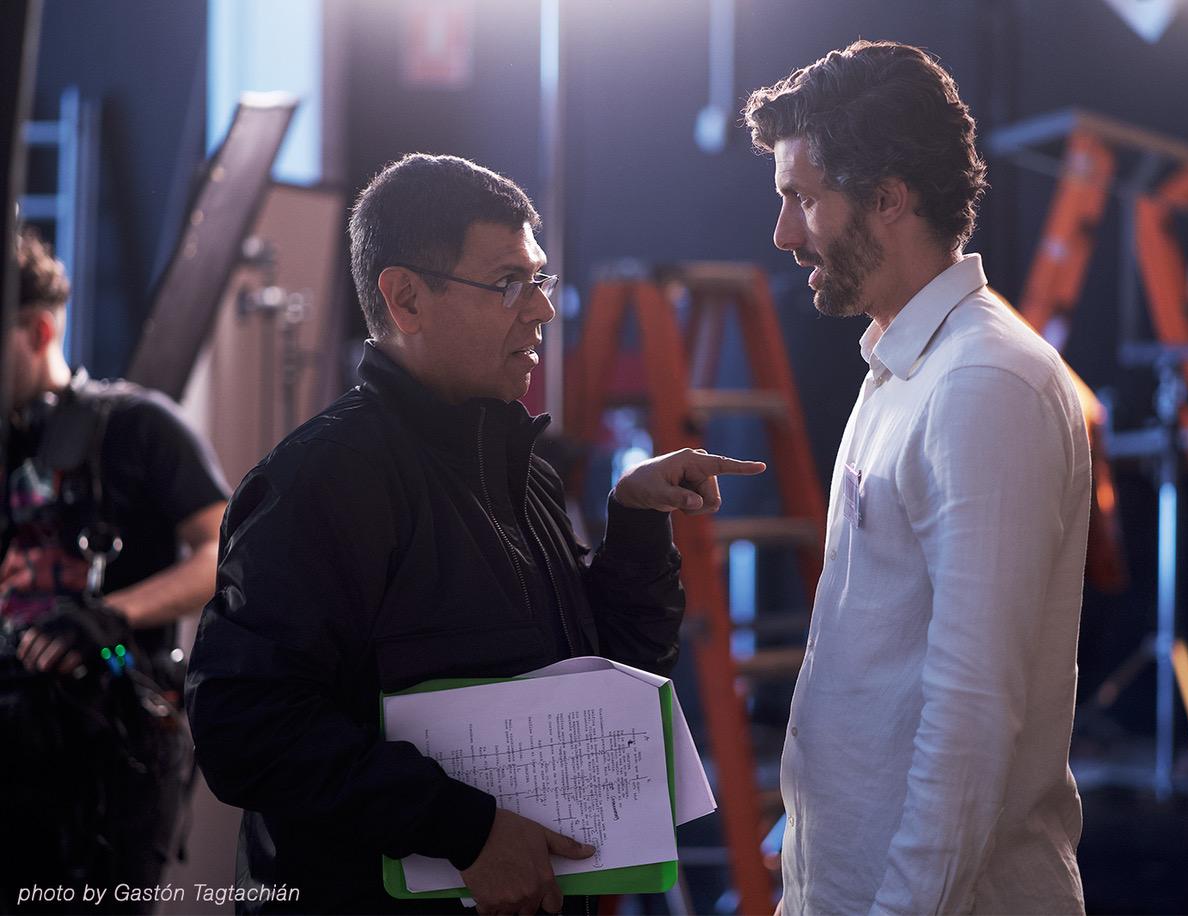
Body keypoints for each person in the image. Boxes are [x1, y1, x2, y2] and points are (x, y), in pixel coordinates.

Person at [185, 153, 765, 915]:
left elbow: (614, 676)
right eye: (508, 283)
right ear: (406, 299)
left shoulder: (521, 470)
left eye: (541, 279)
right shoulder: (324, 478)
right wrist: (463, 829)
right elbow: (243, 725)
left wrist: (635, 523)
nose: (542, 310)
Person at [743, 41, 1090, 915]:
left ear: (888, 199)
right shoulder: (908, 368)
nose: (784, 233)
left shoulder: (984, 382)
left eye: (803, 198)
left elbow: (972, 712)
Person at [0, 228, 229, 907]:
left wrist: (108, 616)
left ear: (39, 330)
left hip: (110, 756)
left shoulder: (139, 426)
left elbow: (225, 551)